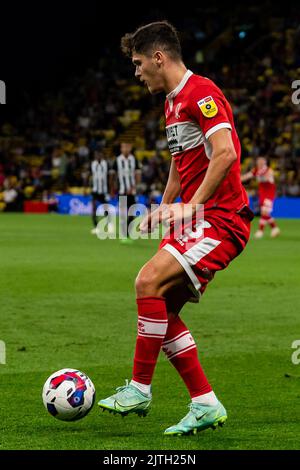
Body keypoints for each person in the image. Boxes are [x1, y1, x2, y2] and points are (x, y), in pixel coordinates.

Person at [98, 21, 254, 436]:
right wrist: (165, 206)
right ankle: (204, 403)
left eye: (137, 63)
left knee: (147, 281)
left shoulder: (201, 92)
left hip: (222, 220)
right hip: (199, 217)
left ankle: (139, 388)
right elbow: (180, 161)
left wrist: (190, 207)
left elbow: (225, 153)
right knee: (161, 311)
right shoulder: (171, 102)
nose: (136, 72)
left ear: (159, 57)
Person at [241, 156, 280, 238]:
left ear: (265, 163)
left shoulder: (268, 170)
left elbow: (266, 178)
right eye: (259, 161)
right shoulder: (256, 170)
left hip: (269, 193)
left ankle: (260, 231)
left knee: (264, 212)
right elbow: (246, 176)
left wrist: (257, 174)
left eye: (262, 162)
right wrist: (237, 179)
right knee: (265, 212)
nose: (260, 163)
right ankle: (274, 228)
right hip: (262, 193)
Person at [110, 142, 141, 243]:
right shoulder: (117, 160)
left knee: (132, 213)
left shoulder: (134, 160)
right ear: (121, 149)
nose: (126, 149)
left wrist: (133, 187)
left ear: (130, 148)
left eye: (127, 147)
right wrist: (112, 189)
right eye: (124, 147)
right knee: (123, 214)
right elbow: (113, 176)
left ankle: (128, 233)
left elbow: (138, 175)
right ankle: (124, 235)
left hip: (132, 192)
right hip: (121, 191)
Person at [90, 149, 111, 235]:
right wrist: (85, 188)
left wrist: (111, 189)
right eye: (96, 155)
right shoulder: (92, 164)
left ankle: (109, 225)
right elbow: (89, 175)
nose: (98, 156)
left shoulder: (106, 164)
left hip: (104, 190)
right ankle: (96, 227)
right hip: (95, 190)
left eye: (99, 155)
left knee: (106, 208)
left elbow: (110, 177)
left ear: (102, 156)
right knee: (94, 208)